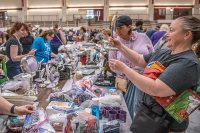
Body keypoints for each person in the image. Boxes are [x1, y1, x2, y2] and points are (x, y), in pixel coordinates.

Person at [109, 16, 200, 133]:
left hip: (167, 126)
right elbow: (139, 59)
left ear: (187, 35)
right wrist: (120, 46)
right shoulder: (165, 52)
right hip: (148, 116)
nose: (167, 34)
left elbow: (156, 88)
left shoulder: (187, 63)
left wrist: (124, 69)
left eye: (172, 30)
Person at [109, 15, 153, 120]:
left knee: (139, 111)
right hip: (124, 82)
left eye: (120, 28)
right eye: (116, 28)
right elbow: (112, 65)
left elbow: (152, 58)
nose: (117, 31)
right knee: (124, 111)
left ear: (129, 26)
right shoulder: (115, 42)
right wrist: (126, 72)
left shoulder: (143, 38)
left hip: (142, 81)